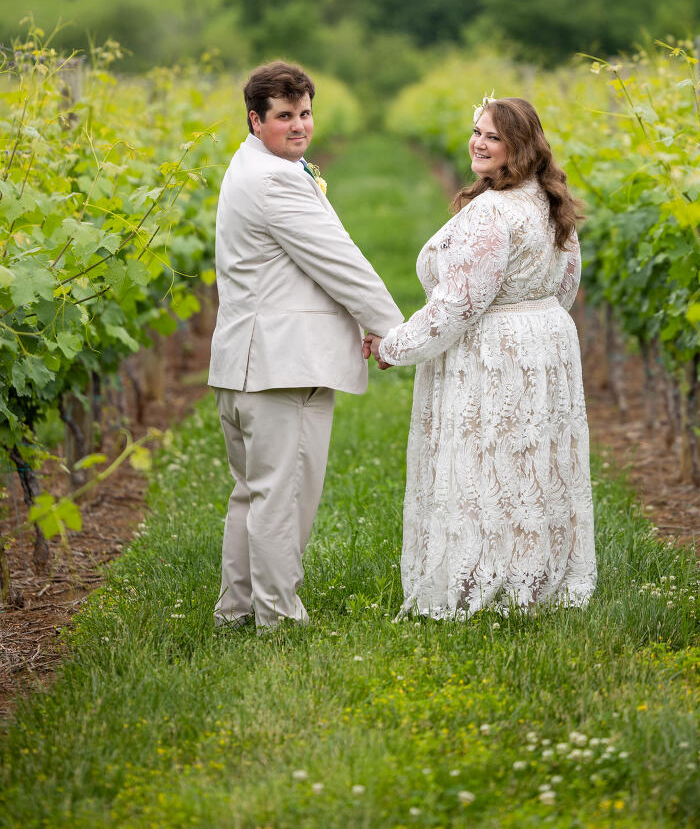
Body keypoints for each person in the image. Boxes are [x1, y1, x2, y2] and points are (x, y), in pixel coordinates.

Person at [364, 97, 597, 619]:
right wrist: (534, 334)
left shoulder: (493, 211)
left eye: (492, 136)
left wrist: (393, 346)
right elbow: (565, 287)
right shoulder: (547, 200)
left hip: (494, 351)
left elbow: (458, 304)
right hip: (544, 346)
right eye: (476, 132)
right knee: (528, 465)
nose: (478, 143)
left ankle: (481, 580)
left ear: (520, 146)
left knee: (486, 462)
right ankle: (529, 577)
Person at [209, 61, 403, 629]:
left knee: (252, 493)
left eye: (306, 114)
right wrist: (393, 331)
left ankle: (237, 611)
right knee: (283, 496)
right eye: (285, 116)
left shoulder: (251, 165)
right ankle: (278, 617)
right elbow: (339, 262)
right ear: (255, 119)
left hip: (246, 363)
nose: (300, 127)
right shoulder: (273, 180)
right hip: (279, 368)